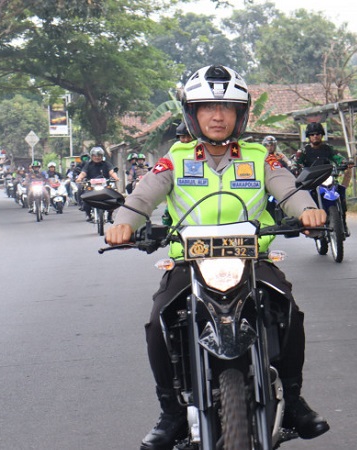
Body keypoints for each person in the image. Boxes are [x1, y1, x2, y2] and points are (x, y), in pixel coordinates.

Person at [104, 65, 330, 450]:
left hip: (251, 260)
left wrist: (307, 211)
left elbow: (288, 190)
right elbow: (142, 197)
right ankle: (172, 413)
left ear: (241, 114)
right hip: (189, 263)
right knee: (159, 321)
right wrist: (122, 222)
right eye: (207, 106)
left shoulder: (260, 157)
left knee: (289, 311)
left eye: (227, 107)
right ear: (192, 113)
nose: (218, 115)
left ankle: (292, 400)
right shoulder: (174, 158)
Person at [294, 122, 351, 234]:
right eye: (312, 134)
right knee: (307, 199)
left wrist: (345, 162)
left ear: (322, 135)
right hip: (312, 182)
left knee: (341, 192)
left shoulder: (328, 149)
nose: (315, 136)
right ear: (309, 136)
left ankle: (343, 223)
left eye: (318, 133)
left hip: (327, 177)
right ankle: (313, 228)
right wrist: (294, 167)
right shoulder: (303, 151)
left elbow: (338, 158)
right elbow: (295, 161)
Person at [75, 146, 120, 221]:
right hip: (92, 187)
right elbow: (83, 173)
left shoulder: (106, 164)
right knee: (85, 197)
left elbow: (111, 172)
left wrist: (116, 177)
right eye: (95, 156)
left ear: (102, 156)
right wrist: (79, 178)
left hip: (105, 186)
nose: (97, 157)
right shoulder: (88, 165)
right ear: (92, 156)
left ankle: (110, 215)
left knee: (113, 198)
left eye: (99, 156)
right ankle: (88, 214)